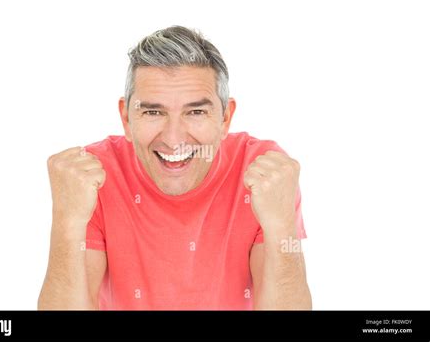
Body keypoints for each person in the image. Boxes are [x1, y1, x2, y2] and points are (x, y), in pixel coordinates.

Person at [38, 26, 312, 310]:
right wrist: (66, 223)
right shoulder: (92, 176)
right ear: (126, 118)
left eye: (195, 112)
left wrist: (281, 228)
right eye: (153, 112)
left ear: (225, 119)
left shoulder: (263, 173)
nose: (173, 138)